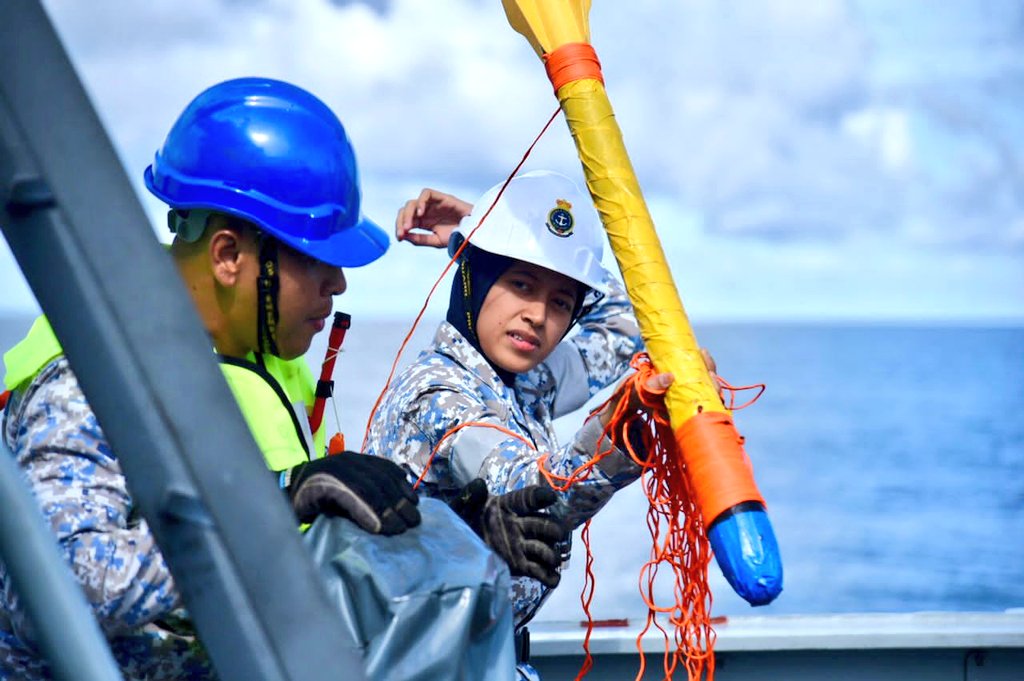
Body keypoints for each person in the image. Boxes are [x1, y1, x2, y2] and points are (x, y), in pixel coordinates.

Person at [0, 78, 561, 680]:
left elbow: (305, 547)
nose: (338, 283)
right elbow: (61, 588)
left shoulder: (256, 357)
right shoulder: (84, 384)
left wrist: (452, 534)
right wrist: (275, 501)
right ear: (227, 256)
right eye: (316, 258)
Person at [365, 170, 701, 677]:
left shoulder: (529, 381)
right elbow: (532, 492)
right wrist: (626, 423)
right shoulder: (437, 397)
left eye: (560, 301)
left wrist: (481, 225)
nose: (539, 316)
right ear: (473, 276)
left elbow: (630, 323)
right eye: (521, 284)